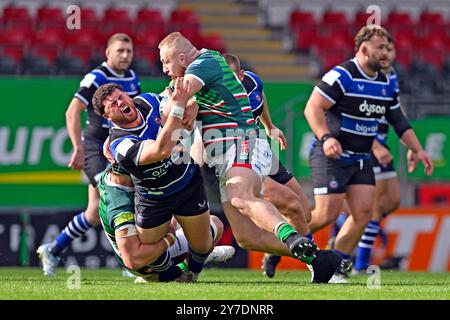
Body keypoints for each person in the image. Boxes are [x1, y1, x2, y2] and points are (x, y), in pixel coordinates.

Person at [158, 32, 342, 283]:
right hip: (225, 155)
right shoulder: (195, 73)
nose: (164, 69)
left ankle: (293, 237)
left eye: (166, 62)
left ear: (181, 57)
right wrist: (182, 104)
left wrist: (179, 103)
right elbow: (177, 104)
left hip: (242, 140)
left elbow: (175, 102)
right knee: (247, 237)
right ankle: (318, 259)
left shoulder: (205, 62)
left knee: (243, 196)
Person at [304, 25, 433, 282]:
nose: (386, 53)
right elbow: (313, 107)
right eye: (381, 47)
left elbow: (399, 121)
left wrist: (417, 149)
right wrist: (326, 137)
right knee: (325, 215)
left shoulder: (385, 82)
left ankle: (335, 266)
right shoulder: (343, 74)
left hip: (361, 158)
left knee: (364, 214)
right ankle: (283, 241)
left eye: (388, 48)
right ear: (364, 49)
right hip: (333, 155)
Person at [37, 33, 140, 277]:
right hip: (95, 149)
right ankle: (130, 262)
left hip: (117, 145)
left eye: (129, 51)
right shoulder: (97, 77)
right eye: (120, 51)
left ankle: (52, 248)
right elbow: (72, 111)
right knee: (116, 195)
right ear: (108, 53)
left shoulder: (132, 77)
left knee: (94, 212)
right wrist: (78, 147)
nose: (125, 56)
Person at [93, 79, 213, 282]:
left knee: (203, 244)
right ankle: (172, 275)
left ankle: (192, 270)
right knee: (147, 249)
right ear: (107, 117)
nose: (120, 103)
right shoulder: (120, 144)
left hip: (186, 184)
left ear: (127, 96)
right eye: (113, 104)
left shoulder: (147, 101)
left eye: (120, 97)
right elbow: (160, 150)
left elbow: (176, 99)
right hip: (155, 198)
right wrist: (177, 112)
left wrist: (192, 104)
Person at [223, 53, 313, 278]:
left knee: (304, 211)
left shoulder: (252, 81)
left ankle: (275, 253)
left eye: (233, 79)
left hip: (261, 149)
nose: (229, 85)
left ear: (241, 75)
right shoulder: (215, 95)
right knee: (291, 204)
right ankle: (316, 261)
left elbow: (259, 97)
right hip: (241, 160)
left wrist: (270, 126)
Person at [98, 164, 235, 283]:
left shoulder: (115, 175)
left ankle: (192, 260)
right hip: (141, 259)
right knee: (150, 236)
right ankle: (171, 273)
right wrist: (170, 238)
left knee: (214, 224)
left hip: (151, 242)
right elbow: (132, 259)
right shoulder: (119, 208)